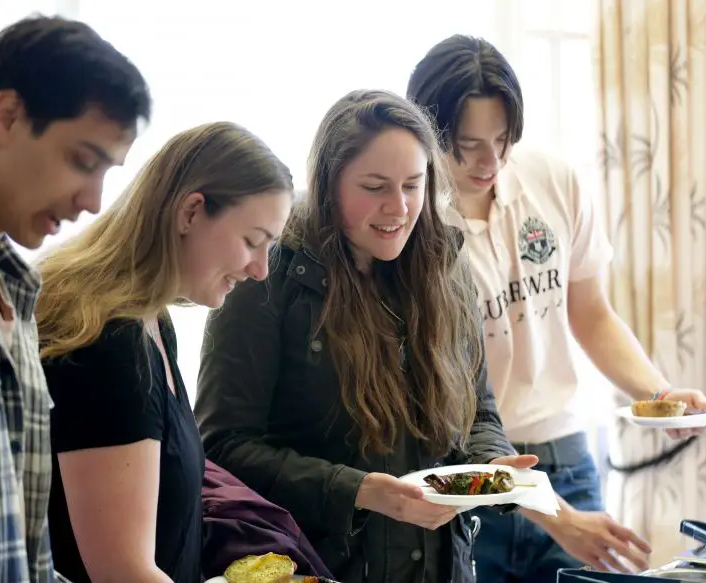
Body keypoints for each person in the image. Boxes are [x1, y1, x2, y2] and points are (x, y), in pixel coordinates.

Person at [406, 34, 706, 580]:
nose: (491, 161)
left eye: (503, 139)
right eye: (468, 144)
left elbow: (592, 314)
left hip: (565, 456)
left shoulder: (552, 180)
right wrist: (550, 512)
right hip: (468, 474)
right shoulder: (413, 224)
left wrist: (661, 395)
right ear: (429, 132)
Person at [194, 89, 536, 583]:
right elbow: (223, 447)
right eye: (375, 187)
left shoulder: (446, 266)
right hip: (320, 565)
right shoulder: (269, 274)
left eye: (413, 185)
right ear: (330, 185)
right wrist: (355, 490)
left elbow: (478, 409)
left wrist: (492, 464)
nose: (398, 207)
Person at [0, 15, 149, 582]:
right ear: (7, 116)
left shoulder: (18, 290)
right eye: (83, 161)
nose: (94, 201)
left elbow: (23, 556)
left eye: (108, 173)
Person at [36, 122, 294, 583]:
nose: (260, 269)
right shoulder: (108, 345)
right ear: (191, 212)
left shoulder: (153, 323)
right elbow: (123, 571)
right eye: (253, 241)